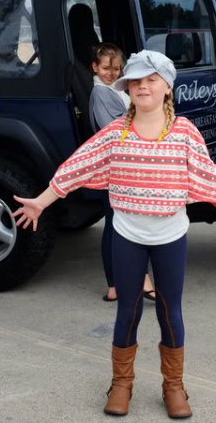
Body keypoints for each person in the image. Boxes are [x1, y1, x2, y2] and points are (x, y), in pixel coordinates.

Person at [13, 50, 216, 419]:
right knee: (128, 310)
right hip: (127, 235)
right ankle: (121, 384)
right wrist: (41, 202)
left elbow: (210, 176)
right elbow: (77, 166)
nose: (142, 86)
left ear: (167, 88)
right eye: (135, 81)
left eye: (151, 80)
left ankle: (174, 386)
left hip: (170, 236)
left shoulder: (184, 133)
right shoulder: (115, 133)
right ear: (127, 88)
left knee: (171, 312)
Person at [89, 43, 155, 302]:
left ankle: (116, 286)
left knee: (115, 225)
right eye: (106, 68)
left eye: (116, 68)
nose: (111, 73)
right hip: (115, 169)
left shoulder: (115, 91)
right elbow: (116, 130)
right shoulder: (100, 94)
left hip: (119, 168)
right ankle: (139, 280)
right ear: (94, 67)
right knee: (122, 226)